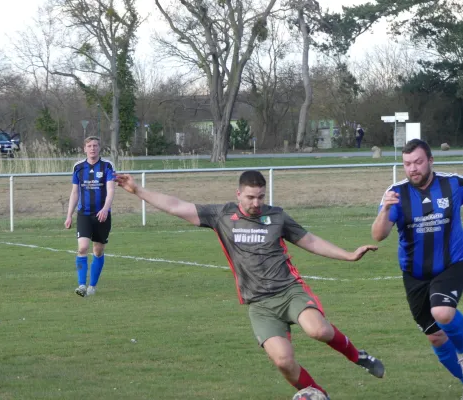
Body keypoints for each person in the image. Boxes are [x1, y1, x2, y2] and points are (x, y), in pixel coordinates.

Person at [115, 170, 385, 399]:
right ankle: (318, 394)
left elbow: (309, 241)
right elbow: (176, 205)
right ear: (238, 194)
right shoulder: (221, 216)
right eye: (250, 197)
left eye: (260, 197)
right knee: (283, 361)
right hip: (259, 304)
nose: (256, 203)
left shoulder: (276, 217)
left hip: (289, 291)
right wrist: (137, 189)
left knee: (317, 331)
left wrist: (348, 255)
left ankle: (358, 356)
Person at [372, 139, 463, 390]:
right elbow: (378, 235)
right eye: (407, 164)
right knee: (435, 336)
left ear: (431, 161)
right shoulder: (397, 193)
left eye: (418, 162)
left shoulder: (453, 183)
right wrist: (384, 211)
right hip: (414, 275)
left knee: (443, 312)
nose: (413, 168)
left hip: (451, 265)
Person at [64, 136, 115, 297]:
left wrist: (105, 209)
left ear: (99, 148)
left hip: (102, 215)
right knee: (83, 248)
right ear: (84, 148)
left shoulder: (107, 166)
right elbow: (74, 192)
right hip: (84, 214)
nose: (92, 148)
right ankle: (81, 285)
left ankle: (92, 286)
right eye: (89, 146)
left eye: (95, 146)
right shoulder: (78, 167)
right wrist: (69, 215)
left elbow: (111, 190)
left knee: (98, 251)